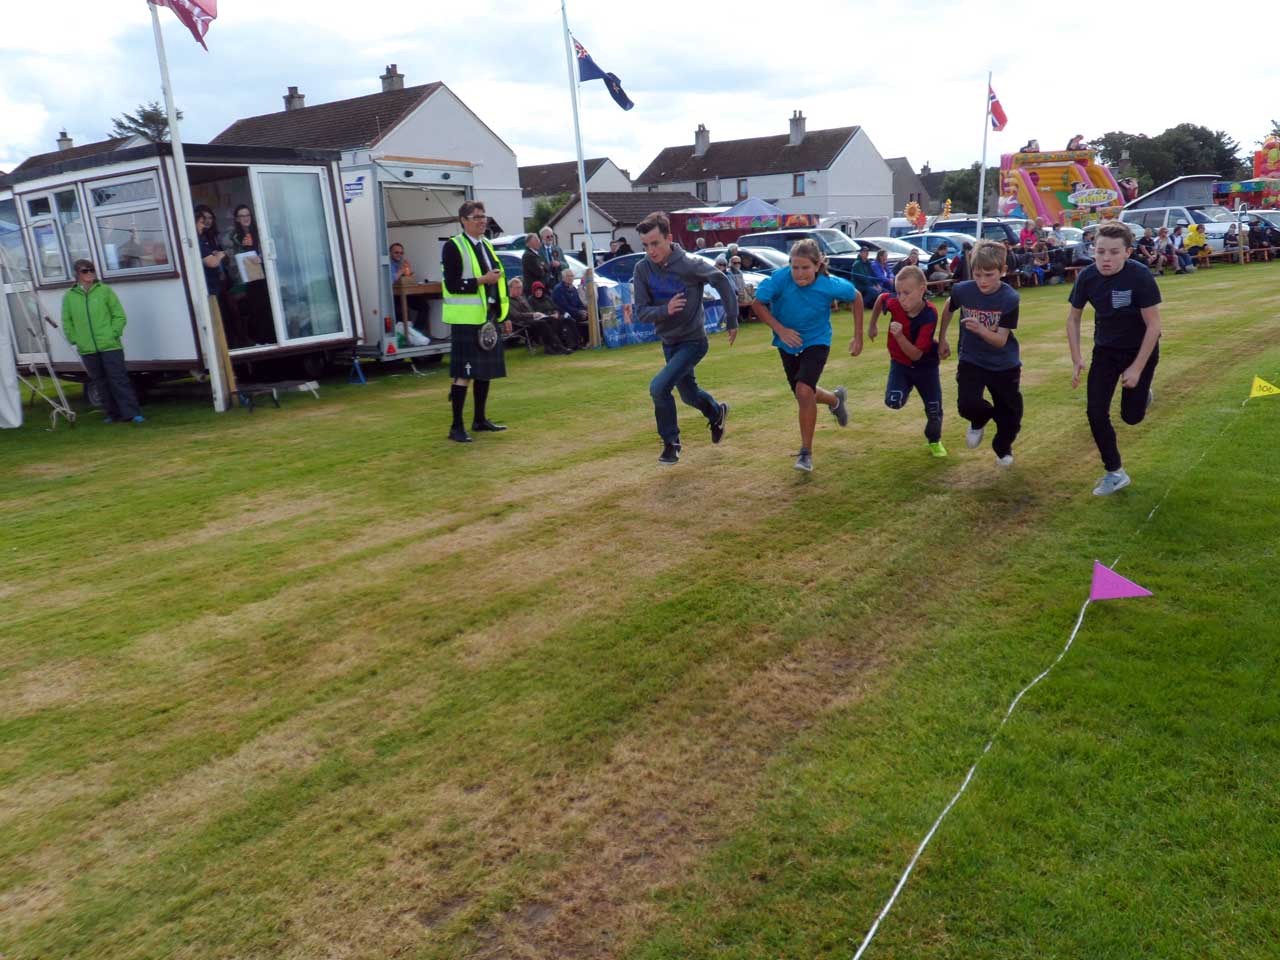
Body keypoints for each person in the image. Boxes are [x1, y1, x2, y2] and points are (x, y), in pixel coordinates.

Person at [630, 211, 737, 465]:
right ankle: (716, 412)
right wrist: (664, 310)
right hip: (669, 343)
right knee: (689, 396)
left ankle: (671, 443)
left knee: (659, 387)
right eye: (645, 245)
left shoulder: (689, 263)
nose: (651, 251)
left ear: (668, 238)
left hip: (694, 341)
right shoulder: (642, 269)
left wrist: (731, 318)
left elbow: (720, 280)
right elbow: (641, 312)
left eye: (655, 243)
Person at [1065, 221, 1162, 496]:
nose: (1106, 259)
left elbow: (1154, 326)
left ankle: (1143, 394)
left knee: (1131, 417)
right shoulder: (1087, 277)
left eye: (1114, 252)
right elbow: (1073, 318)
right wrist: (1076, 358)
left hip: (1140, 349)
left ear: (1128, 252)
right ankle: (1115, 472)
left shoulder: (1140, 276)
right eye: (1100, 252)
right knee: (1095, 412)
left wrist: (1136, 369)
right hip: (1106, 351)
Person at [749, 238, 863, 472]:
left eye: (805, 268)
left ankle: (805, 453)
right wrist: (781, 330)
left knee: (803, 391)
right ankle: (835, 399)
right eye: (795, 267)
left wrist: (858, 336)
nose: (799, 273)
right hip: (787, 342)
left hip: (817, 340)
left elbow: (857, 297)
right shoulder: (780, 279)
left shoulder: (829, 284)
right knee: (804, 394)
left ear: (818, 264)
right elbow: (757, 304)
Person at [937, 240, 1022, 466]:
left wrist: (980, 329)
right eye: (977, 274)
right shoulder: (962, 290)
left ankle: (1002, 447)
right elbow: (949, 306)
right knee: (967, 404)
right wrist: (942, 338)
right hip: (972, 358)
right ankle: (980, 419)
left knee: (1011, 416)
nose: (983, 281)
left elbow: (1001, 340)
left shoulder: (1010, 299)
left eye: (989, 274)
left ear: (1002, 271)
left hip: (1004, 363)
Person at [441, 199, 512, 443]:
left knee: (484, 372)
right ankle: (456, 426)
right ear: (463, 220)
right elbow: (452, 285)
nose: (482, 221)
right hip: (466, 321)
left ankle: (480, 420)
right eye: (476, 217)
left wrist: (503, 314)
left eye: (484, 216)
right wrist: (483, 280)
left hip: (487, 317)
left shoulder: (487, 246)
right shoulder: (453, 246)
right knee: (464, 373)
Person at [868, 265, 945, 457]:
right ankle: (906, 387)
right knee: (893, 401)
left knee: (934, 410)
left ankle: (934, 440)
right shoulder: (894, 302)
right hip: (900, 364)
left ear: (921, 290)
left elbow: (917, 355)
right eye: (898, 292)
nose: (901, 298)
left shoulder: (929, 314)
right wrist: (873, 325)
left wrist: (900, 336)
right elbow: (881, 299)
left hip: (925, 367)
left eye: (907, 293)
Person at [61, 259, 144, 424]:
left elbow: (119, 315)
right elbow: (67, 321)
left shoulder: (104, 291)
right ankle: (112, 414)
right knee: (100, 381)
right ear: (77, 274)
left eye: (92, 270)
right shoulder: (69, 296)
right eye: (85, 271)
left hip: (110, 345)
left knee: (118, 379)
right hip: (87, 348)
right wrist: (75, 339)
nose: (90, 273)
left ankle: (132, 413)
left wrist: (113, 333)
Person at [222, 204, 273, 344]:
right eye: (241, 216)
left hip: (264, 273)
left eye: (247, 215)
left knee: (267, 303)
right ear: (237, 219)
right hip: (248, 276)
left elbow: (267, 248)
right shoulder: (234, 236)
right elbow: (232, 258)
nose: (245, 218)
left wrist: (260, 257)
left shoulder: (259, 231)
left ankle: (271, 337)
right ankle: (260, 340)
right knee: (255, 306)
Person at [195, 205, 243, 347]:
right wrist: (219, 256)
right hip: (211, 286)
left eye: (209, 219)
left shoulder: (214, 236)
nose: (206, 223)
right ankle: (229, 346)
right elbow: (212, 262)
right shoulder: (199, 239)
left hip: (221, 282)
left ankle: (236, 342)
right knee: (222, 317)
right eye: (203, 220)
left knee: (231, 314)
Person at [506, 277, 571, 355]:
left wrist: (537, 315)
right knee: (542, 323)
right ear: (510, 288)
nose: (519, 290)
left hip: (531, 319)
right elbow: (516, 315)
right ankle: (558, 347)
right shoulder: (508, 301)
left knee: (552, 319)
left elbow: (530, 310)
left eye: (520, 288)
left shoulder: (522, 298)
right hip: (521, 323)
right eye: (517, 288)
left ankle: (551, 347)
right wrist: (533, 314)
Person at [388, 242, 433, 336]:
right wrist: (401, 271)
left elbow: (406, 278)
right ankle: (407, 335)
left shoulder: (402, 262)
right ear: (390, 253)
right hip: (393, 296)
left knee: (424, 306)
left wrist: (408, 273)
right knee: (402, 311)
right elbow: (390, 280)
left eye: (401, 253)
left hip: (404, 293)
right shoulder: (388, 264)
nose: (399, 255)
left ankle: (416, 332)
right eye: (396, 252)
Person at [528, 279, 580, 350]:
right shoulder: (531, 300)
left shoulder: (547, 298)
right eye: (536, 291)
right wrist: (549, 315)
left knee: (570, 320)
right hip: (543, 318)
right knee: (556, 321)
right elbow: (535, 312)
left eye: (540, 290)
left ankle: (576, 343)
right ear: (533, 291)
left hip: (554, 315)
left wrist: (556, 312)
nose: (538, 292)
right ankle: (561, 345)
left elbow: (555, 307)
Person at [551, 268, 590, 343]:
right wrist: (579, 312)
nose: (570, 278)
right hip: (564, 313)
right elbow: (564, 306)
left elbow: (579, 302)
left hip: (575, 311)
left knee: (593, 314)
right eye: (568, 276)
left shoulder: (573, 288)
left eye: (572, 276)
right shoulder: (559, 289)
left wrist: (584, 310)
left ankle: (590, 339)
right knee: (579, 316)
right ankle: (580, 341)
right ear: (563, 277)